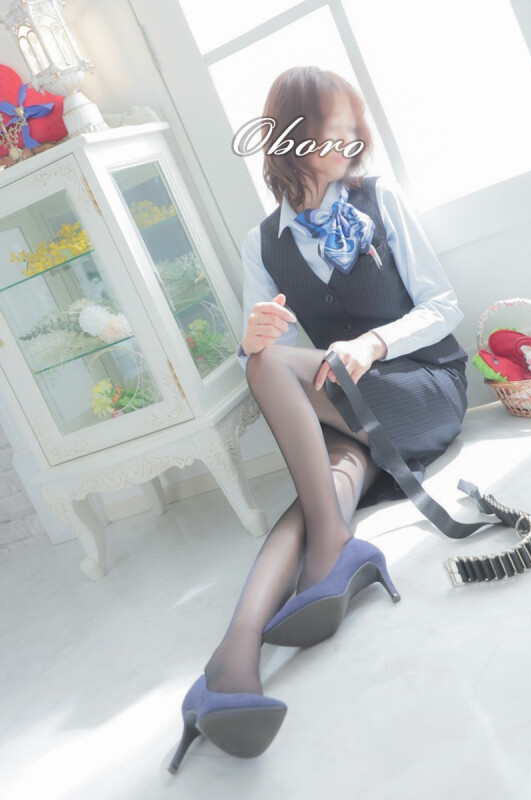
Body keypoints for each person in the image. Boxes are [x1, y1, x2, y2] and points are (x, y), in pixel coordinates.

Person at [169, 65, 469, 771]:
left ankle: (326, 554)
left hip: (422, 385)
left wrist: (373, 343)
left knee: (272, 370)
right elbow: (259, 350)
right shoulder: (262, 243)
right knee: (312, 477)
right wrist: (254, 337)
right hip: (349, 414)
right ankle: (232, 663)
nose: (347, 138)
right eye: (329, 127)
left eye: (349, 126)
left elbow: (445, 305)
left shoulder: (378, 198)